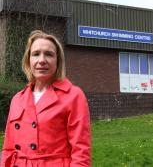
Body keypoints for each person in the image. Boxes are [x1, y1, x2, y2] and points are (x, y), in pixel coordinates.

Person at [1, 30, 91, 167]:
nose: (41, 60)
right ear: (28, 60)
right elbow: (8, 149)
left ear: (57, 61)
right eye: (36, 54)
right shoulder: (17, 99)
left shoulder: (73, 96)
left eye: (49, 54)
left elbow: (81, 152)